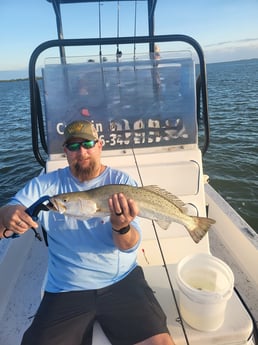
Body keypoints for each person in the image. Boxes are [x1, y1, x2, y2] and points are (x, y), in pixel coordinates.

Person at [0, 120, 175, 345]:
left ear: (100, 145)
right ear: (65, 151)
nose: (81, 152)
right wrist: (7, 214)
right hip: (66, 287)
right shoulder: (46, 187)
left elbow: (129, 244)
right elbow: (6, 220)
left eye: (88, 144)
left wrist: (121, 226)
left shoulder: (121, 183)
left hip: (121, 281)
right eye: (73, 146)